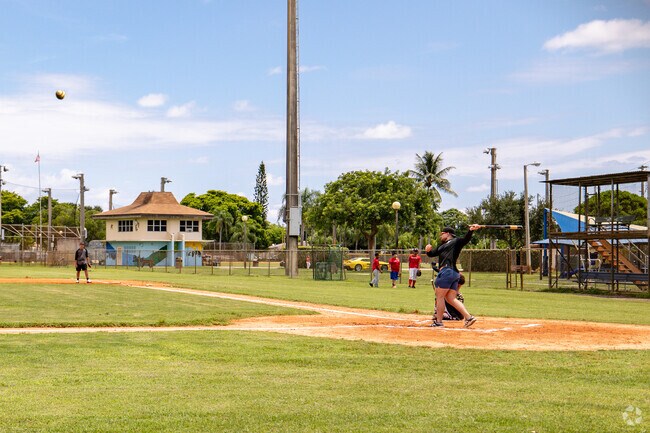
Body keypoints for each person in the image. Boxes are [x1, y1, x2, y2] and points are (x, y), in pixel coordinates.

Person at [425, 225, 481, 328]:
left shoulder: (455, 241)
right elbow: (432, 254)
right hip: (453, 273)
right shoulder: (442, 246)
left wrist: (470, 231)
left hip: (447, 271)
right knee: (451, 298)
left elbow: (465, 240)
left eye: (442, 234)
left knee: (440, 297)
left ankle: (439, 322)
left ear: (448, 234)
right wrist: (428, 251)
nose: (440, 236)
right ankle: (468, 317)